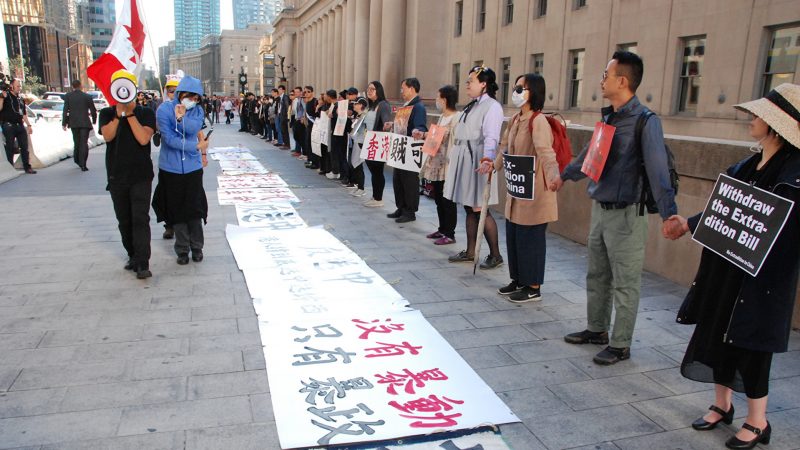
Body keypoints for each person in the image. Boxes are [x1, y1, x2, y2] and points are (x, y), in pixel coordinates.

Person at [662, 83, 800, 450]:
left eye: (759, 115)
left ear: (777, 125)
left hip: (762, 280)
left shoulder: (794, 173)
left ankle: (758, 421)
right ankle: (722, 405)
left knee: (753, 345)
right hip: (727, 268)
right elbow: (724, 209)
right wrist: (688, 223)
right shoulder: (747, 164)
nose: (751, 120)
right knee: (718, 330)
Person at [552, 51, 678, 365]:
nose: (601, 79)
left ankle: (621, 343)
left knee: (625, 282)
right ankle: (597, 329)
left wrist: (669, 214)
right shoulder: (610, 117)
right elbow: (589, 154)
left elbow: (658, 170)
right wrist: (564, 176)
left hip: (627, 214)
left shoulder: (646, 121)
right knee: (597, 275)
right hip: (601, 209)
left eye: (606, 74)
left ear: (622, 80)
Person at [494, 74, 559, 302]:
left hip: (536, 191)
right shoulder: (515, 120)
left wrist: (554, 176)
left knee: (531, 239)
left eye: (522, 87)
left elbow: (546, 152)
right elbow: (504, 146)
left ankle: (533, 286)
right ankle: (518, 279)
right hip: (517, 190)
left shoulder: (538, 121)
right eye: (516, 86)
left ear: (534, 93)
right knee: (514, 236)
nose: (516, 91)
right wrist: (493, 166)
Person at [97, 70, 155, 279]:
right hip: (116, 176)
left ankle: (143, 262)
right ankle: (132, 255)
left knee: (140, 218)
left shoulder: (145, 113)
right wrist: (119, 112)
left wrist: (130, 114)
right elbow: (108, 136)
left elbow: (143, 139)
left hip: (141, 175)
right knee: (124, 220)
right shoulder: (106, 113)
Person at [444, 66, 504, 269]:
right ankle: (471, 251)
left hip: (477, 158)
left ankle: (495, 254)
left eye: (471, 80)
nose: (467, 84)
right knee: (469, 206)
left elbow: (492, 136)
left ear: (484, 84)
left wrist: (487, 159)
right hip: (465, 157)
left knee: (480, 208)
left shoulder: (492, 107)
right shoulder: (473, 105)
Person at [152, 75, 210, 266]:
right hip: (171, 168)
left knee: (194, 209)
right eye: (189, 96)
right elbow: (169, 139)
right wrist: (195, 146)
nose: (192, 101)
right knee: (177, 211)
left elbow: (193, 128)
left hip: (193, 168)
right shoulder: (163, 109)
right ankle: (182, 249)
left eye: (196, 98)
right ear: (179, 93)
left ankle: (197, 247)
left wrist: (181, 117)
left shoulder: (197, 111)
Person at [413, 85, 459, 245]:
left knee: (448, 201)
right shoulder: (442, 117)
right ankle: (442, 228)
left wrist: (425, 134)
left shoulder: (456, 117)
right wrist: (424, 136)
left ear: (445, 100)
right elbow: (435, 136)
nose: (436, 101)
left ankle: (450, 233)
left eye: (438, 98)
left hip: (448, 165)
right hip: (437, 164)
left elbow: (444, 135)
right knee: (438, 198)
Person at [386, 78, 427, 223]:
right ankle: (401, 207)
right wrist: (392, 124)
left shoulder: (418, 107)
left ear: (412, 89)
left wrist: (418, 130)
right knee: (398, 179)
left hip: (410, 147)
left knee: (409, 180)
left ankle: (410, 211)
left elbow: (420, 126)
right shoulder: (406, 105)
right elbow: (402, 124)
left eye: (403, 88)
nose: (401, 91)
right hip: (400, 145)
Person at [362, 81, 393, 208]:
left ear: (378, 91)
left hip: (378, 141)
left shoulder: (383, 105)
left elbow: (386, 121)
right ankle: (375, 196)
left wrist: (387, 125)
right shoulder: (371, 105)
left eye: (372, 89)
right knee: (373, 170)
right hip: (369, 140)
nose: (369, 91)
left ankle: (378, 198)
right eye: (368, 89)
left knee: (377, 171)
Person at [0, 78, 36, 174]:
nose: (19, 88)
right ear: (11, 86)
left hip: (19, 125)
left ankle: (27, 167)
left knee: (24, 147)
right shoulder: (5, 96)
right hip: (8, 125)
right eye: (17, 86)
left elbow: (24, 113)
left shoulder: (20, 99)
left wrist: (28, 125)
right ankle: (10, 168)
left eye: (20, 86)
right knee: (10, 147)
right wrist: (2, 98)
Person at [62, 79, 97, 172]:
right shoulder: (87, 96)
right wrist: (94, 120)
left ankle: (77, 160)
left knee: (77, 142)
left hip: (74, 122)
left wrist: (64, 123)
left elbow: (65, 110)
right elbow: (93, 110)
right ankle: (83, 164)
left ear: (72, 86)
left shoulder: (68, 96)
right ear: (80, 86)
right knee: (84, 143)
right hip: (85, 122)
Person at [348, 96, 369, 196]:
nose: (354, 105)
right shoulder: (358, 116)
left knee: (359, 164)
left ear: (361, 105)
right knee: (355, 164)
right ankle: (358, 186)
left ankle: (361, 188)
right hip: (355, 141)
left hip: (361, 142)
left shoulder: (365, 116)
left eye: (356, 103)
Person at [302, 86, 319, 170]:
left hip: (315, 125)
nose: (306, 93)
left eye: (308, 92)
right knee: (308, 142)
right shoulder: (307, 102)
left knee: (313, 144)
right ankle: (310, 159)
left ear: (312, 92)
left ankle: (315, 162)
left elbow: (316, 114)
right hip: (309, 125)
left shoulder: (315, 101)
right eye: (305, 92)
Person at [292, 86, 306, 156]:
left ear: (301, 92)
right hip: (297, 119)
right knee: (296, 136)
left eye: (297, 92)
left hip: (301, 121)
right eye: (295, 92)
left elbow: (305, 108)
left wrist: (303, 117)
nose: (296, 93)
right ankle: (301, 151)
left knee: (301, 137)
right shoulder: (298, 100)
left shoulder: (302, 99)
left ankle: (304, 153)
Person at [276, 85, 291, 149]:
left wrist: (287, 116)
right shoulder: (280, 97)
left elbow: (287, 106)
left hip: (284, 116)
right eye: (278, 89)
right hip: (280, 115)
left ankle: (287, 145)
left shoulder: (285, 97)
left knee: (285, 131)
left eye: (280, 89)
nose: (279, 90)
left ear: (283, 90)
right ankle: (285, 144)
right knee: (282, 130)